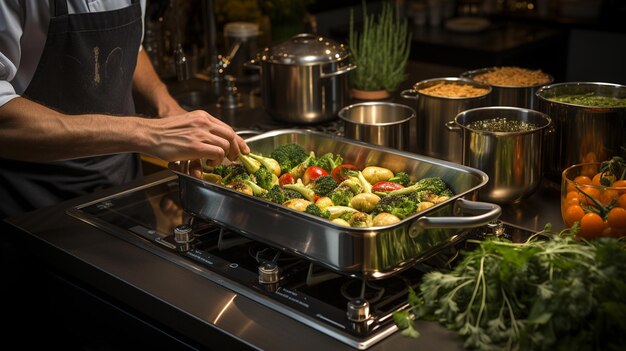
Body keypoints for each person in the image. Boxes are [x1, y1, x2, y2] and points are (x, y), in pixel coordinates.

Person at [0, 0, 249, 219]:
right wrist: (149, 132)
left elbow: (130, 49)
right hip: (31, 207)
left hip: (122, 188)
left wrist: (168, 109)